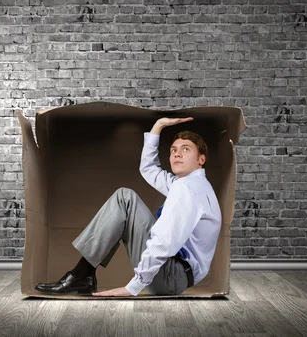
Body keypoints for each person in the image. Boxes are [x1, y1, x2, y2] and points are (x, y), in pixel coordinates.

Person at [35, 116, 222, 297]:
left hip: (170, 276)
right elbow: (148, 169)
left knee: (125, 198)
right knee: (125, 198)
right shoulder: (193, 185)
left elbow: (165, 241)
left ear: (201, 159)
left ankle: (81, 275)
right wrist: (158, 126)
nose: (176, 154)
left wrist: (134, 286)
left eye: (186, 149)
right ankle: (83, 275)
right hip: (175, 276)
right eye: (173, 150)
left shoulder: (187, 188)